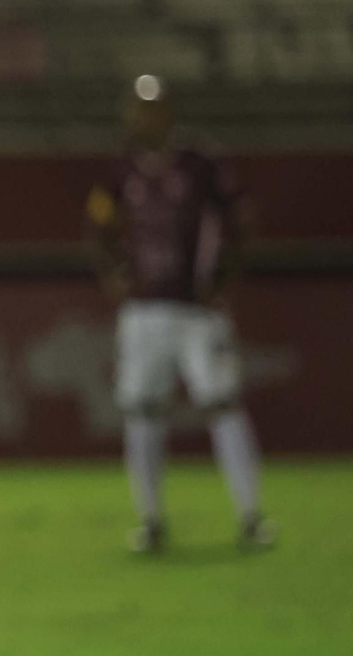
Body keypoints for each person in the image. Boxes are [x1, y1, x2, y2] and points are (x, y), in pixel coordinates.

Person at [87, 74, 273, 553]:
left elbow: (241, 219)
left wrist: (223, 279)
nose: (144, 118)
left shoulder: (201, 162)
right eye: (138, 109)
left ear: (169, 112)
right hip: (144, 312)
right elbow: (98, 224)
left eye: (152, 109)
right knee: (142, 411)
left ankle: (251, 516)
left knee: (222, 403)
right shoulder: (122, 167)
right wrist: (114, 276)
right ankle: (150, 520)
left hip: (197, 312)